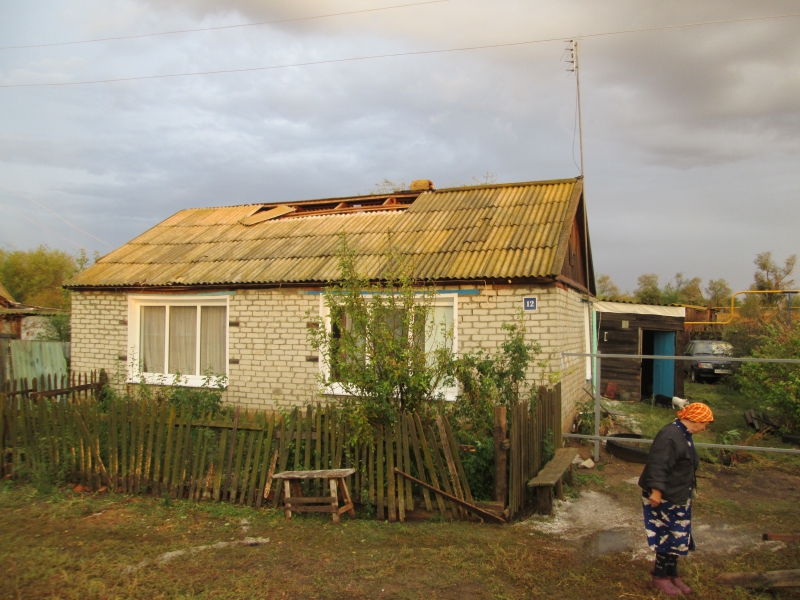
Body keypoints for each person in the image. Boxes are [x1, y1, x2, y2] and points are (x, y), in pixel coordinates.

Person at [638, 402, 714, 596]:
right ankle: (659, 577)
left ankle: (672, 574)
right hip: (664, 495)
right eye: (705, 423)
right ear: (695, 419)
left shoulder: (684, 435)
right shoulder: (670, 435)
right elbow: (658, 463)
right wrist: (656, 490)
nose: (705, 427)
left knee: (679, 535)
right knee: (666, 535)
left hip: (678, 494)